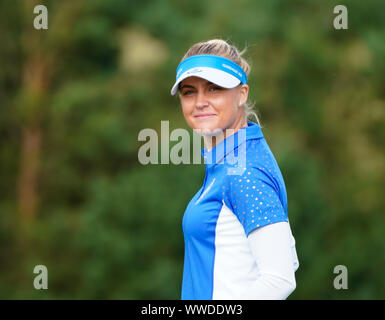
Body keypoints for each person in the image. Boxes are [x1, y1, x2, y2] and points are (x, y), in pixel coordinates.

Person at [170, 39, 299, 300]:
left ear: (242, 93)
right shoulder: (232, 161)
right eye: (189, 92)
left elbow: (280, 278)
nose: (200, 102)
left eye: (214, 89)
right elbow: (290, 256)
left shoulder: (244, 171)